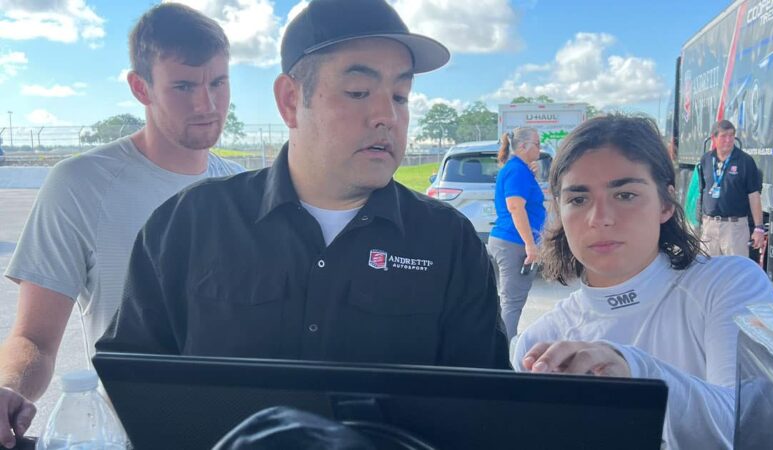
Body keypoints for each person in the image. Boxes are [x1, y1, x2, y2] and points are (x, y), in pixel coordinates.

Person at [97, 0, 508, 371]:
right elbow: (132, 380)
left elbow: (481, 407)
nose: (387, 115)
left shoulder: (450, 244)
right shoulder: (187, 225)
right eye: (359, 91)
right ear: (290, 100)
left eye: (400, 95)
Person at [0, 4, 244, 448]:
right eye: (184, 86)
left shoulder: (243, 187)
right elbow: (34, 337)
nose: (207, 104)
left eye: (218, 82)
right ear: (140, 87)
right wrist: (9, 389)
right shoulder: (80, 184)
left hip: (243, 434)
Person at [511, 115, 773, 449]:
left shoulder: (730, 285)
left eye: (624, 195)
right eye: (578, 200)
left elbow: (757, 432)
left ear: (666, 203)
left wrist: (634, 372)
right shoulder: (539, 345)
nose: (600, 219)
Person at [487, 127, 546, 338]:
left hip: (509, 240)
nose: (540, 148)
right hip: (514, 243)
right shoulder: (517, 171)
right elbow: (515, 207)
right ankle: (502, 357)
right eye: (537, 144)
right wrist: (530, 244)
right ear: (523, 147)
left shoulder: (520, 169)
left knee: (508, 301)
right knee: (512, 303)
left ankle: (499, 345)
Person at [697, 119, 765, 256]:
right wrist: (698, 223)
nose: (728, 140)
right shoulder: (706, 159)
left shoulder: (745, 161)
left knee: (735, 273)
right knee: (708, 272)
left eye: (731, 135)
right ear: (714, 138)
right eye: (723, 136)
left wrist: (759, 228)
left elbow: (754, 196)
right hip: (709, 227)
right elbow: (702, 191)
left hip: (734, 228)